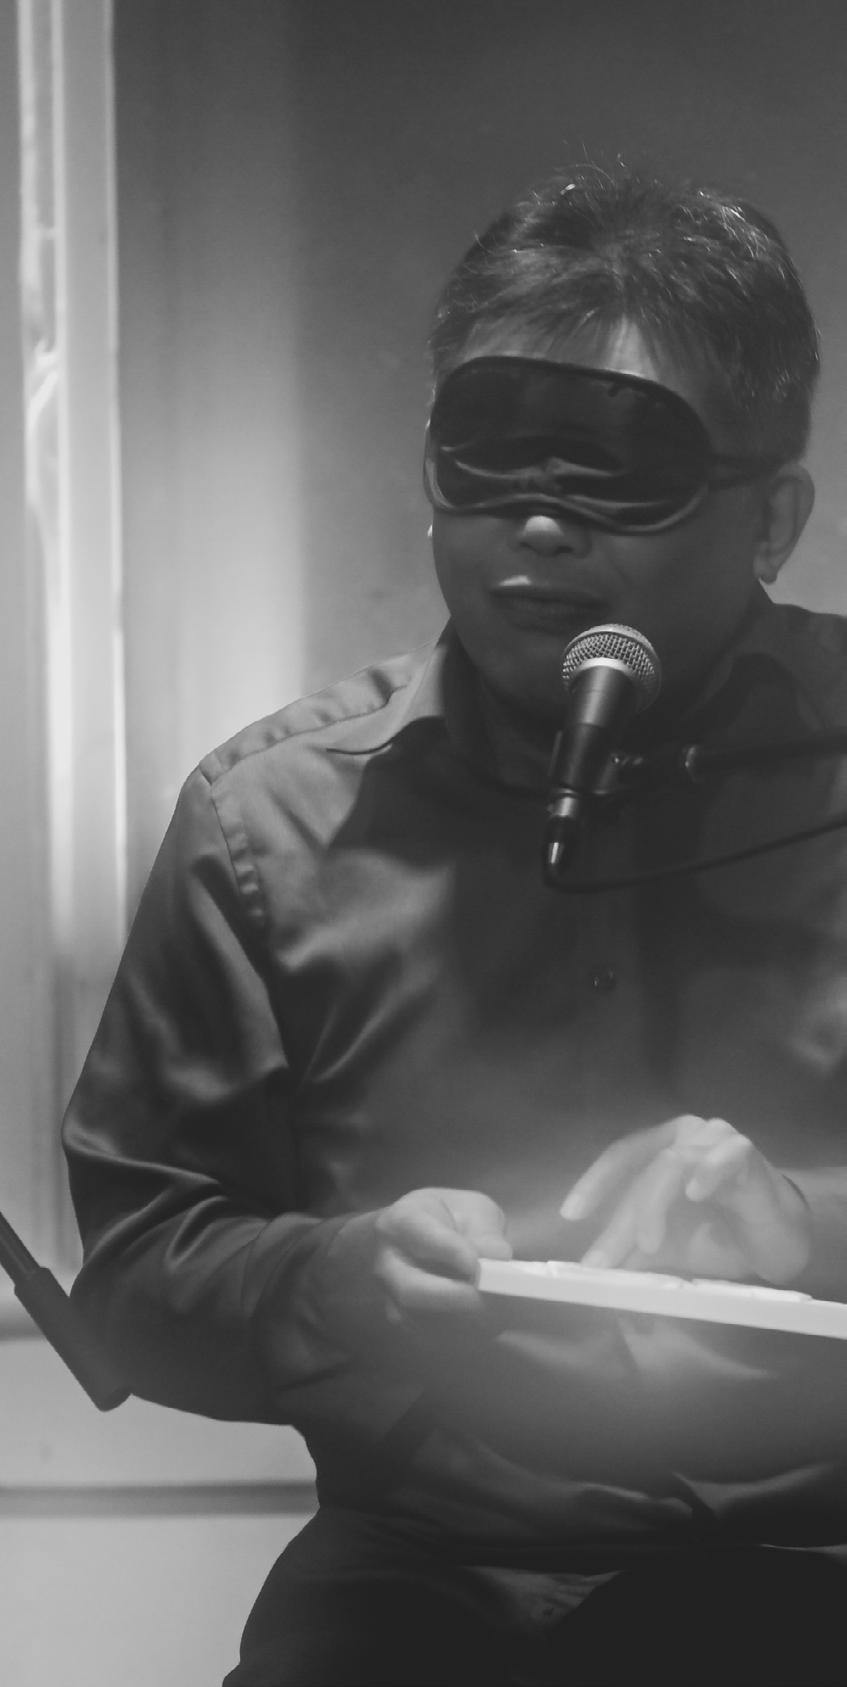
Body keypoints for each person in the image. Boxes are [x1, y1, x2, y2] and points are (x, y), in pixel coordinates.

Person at [62, 166, 847, 1685]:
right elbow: (140, 1276)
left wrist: (805, 1227)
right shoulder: (268, 824)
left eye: (619, 472)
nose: (540, 522)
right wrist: (332, 1281)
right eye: (491, 458)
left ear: (772, 520)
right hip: (423, 1568)